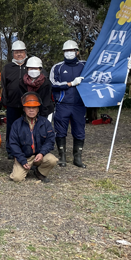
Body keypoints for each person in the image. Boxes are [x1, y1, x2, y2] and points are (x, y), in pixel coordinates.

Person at [50, 40, 87, 168]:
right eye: (66, 51)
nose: (69, 53)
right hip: (62, 104)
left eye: (71, 50)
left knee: (79, 131)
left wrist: (123, 68)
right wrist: (70, 84)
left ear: (77, 52)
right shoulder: (57, 67)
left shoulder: (85, 65)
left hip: (79, 104)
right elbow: (53, 84)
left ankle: (78, 158)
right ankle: (62, 157)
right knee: (60, 131)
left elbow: (100, 73)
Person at [7, 92, 58, 183]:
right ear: (24, 109)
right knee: (17, 178)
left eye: (34, 107)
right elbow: (13, 144)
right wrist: (22, 160)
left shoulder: (45, 122)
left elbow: (50, 140)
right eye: (28, 107)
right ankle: (23, 166)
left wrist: (42, 153)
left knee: (52, 160)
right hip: (24, 157)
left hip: (39, 155)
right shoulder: (17, 124)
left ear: (38, 109)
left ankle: (39, 172)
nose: (31, 110)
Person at [1, 40, 29, 157]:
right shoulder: (7, 68)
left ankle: (25, 148)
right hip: (12, 103)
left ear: (25, 52)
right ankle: (10, 150)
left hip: (27, 104)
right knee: (12, 127)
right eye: (16, 52)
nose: (19, 54)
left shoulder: (30, 66)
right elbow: (3, 85)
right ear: (12, 53)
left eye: (21, 52)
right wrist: (5, 101)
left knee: (26, 126)